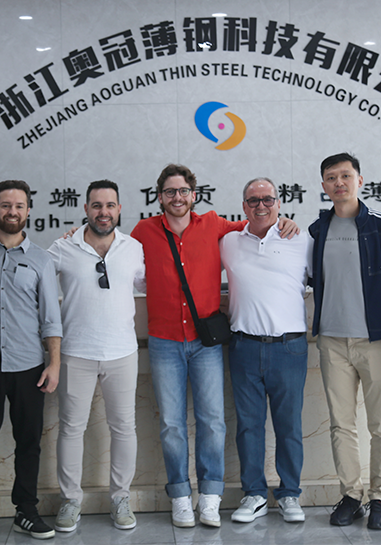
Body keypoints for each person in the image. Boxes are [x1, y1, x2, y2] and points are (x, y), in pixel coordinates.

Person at [130, 163, 297, 528]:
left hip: (205, 343)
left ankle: (209, 497)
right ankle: (180, 497)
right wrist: (75, 236)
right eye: (170, 192)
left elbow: (257, 225)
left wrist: (284, 222)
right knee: (171, 424)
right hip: (164, 342)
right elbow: (112, 250)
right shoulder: (143, 231)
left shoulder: (214, 225)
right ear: (160, 197)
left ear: (194, 195)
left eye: (183, 191)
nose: (177, 198)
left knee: (212, 422)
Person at [307, 153, 381, 530]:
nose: (339, 183)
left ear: (360, 181)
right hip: (332, 341)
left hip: (375, 340)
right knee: (341, 424)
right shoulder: (317, 230)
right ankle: (351, 495)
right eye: (331, 178)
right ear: (323, 185)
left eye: (345, 176)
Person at [0, 180, 62, 543]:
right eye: (5, 205)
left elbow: (51, 317)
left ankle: (26, 511)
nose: (12, 211)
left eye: (19, 206)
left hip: (28, 366)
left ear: (28, 211)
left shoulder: (41, 260)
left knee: (29, 443)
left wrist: (54, 363)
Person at [47, 180, 145, 533]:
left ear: (119, 209)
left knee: (124, 428)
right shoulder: (62, 247)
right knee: (71, 428)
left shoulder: (134, 248)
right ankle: (70, 499)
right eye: (97, 205)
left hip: (122, 352)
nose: (104, 212)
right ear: (86, 209)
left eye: (110, 205)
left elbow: (151, 284)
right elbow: (34, 281)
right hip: (76, 352)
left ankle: (120, 498)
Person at [219, 178, 313, 524]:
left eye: (268, 199)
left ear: (279, 202)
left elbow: (324, 280)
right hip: (243, 346)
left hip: (289, 348)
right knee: (248, 426)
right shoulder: (229, 241)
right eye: (253, 200)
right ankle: (255, 494)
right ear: (244, 206)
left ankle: (289, 494)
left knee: (289, 426)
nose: (261, 206)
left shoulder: (300, 240)